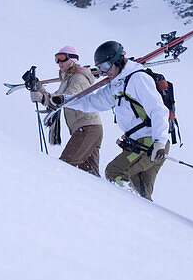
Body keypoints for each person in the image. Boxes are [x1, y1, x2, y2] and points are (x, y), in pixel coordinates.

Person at [50, 41, 169, 200]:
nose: (104, 72)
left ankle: (126, 210)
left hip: (151, 143)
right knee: (141, 195)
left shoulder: (137, 79)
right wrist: (65, 99)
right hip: (140, 144)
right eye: (100, 69)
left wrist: (160, 141)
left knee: (114, 172)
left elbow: (159, 110)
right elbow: (91, 101)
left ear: (118, 61)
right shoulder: (117, 85)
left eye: (105, 67)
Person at [29, 46, 103, 176]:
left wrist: (42, 98)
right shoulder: (69, 80)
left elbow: (68, 98)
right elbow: (55, 98)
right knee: (89, 174)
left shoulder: (78, 78)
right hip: (89, 128)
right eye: (57, 59)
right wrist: (39, 88)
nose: (59, 62)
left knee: (65, 166)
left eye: (63, 58)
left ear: (73, 60)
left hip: (86, 128)